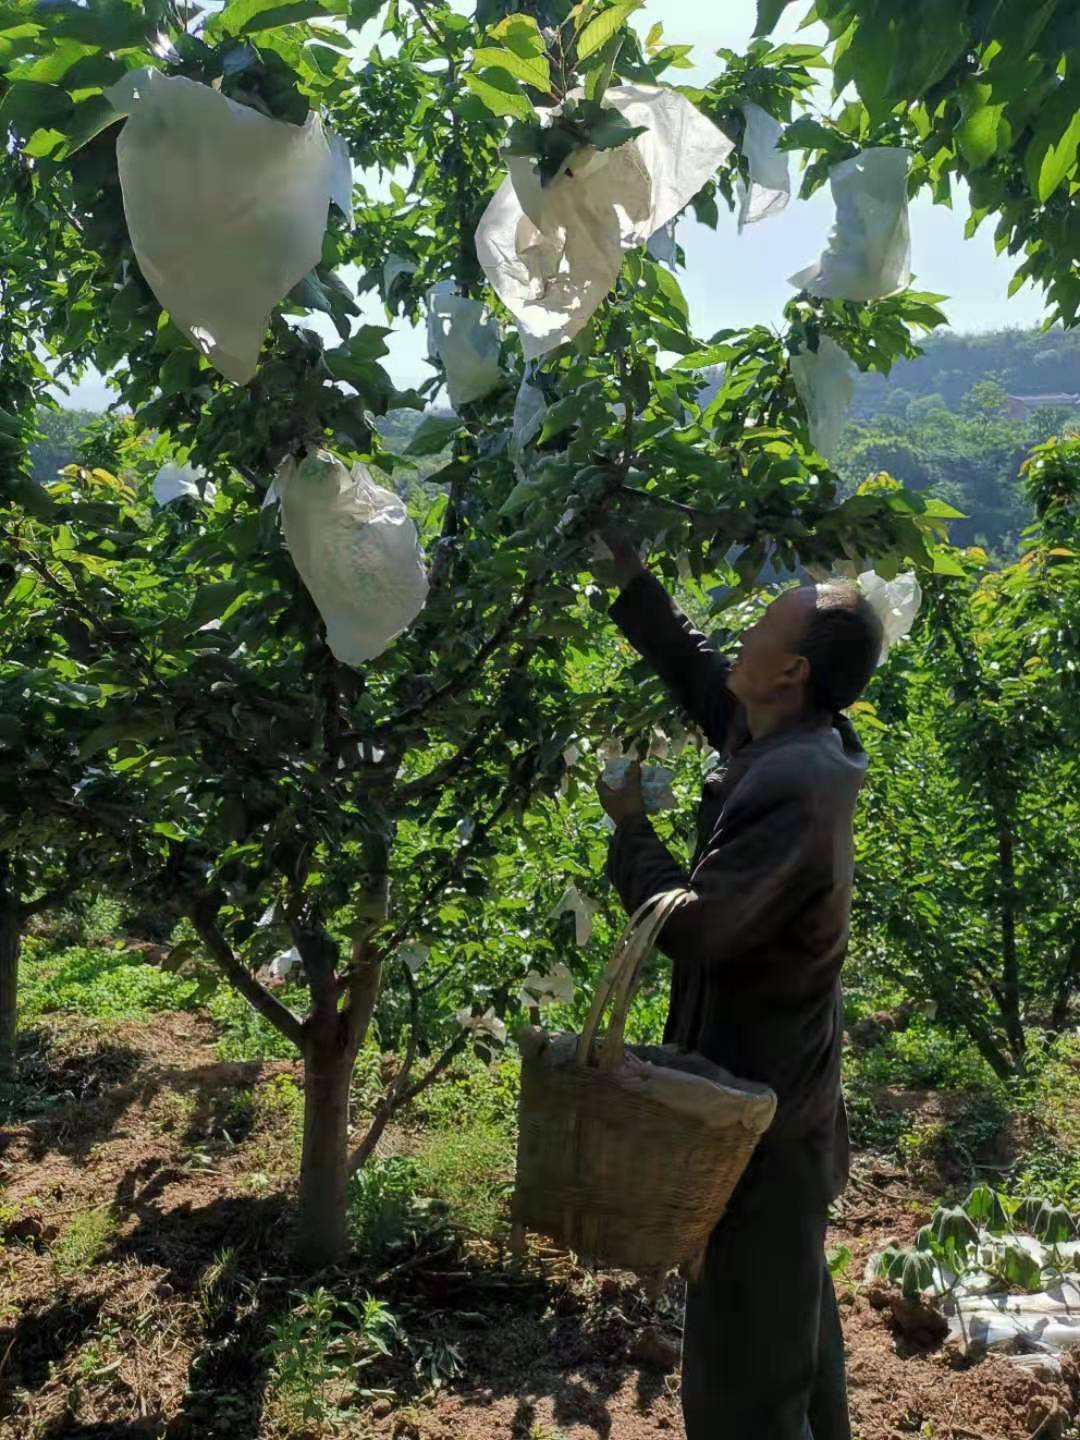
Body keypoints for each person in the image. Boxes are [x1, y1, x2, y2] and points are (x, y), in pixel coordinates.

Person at [593, 530, 884, 1440]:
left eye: (762, 627)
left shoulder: (795, 783)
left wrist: (631, 829)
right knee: (788, 1331)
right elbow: (698, 671)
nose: (744, 635)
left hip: (760, 1120)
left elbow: (700, 929)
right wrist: (633, 582)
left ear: (791, 670)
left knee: (742, 1387)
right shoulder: (785, 735)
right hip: (774, 1097)